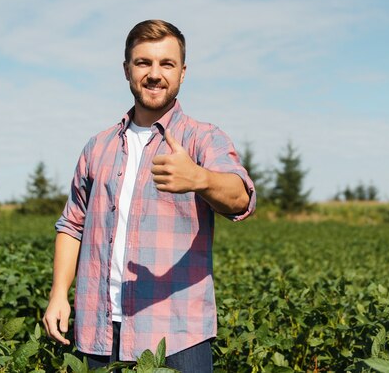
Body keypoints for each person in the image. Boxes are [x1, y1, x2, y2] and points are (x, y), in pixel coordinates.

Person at [42, 19, 256, 372]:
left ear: (182, 72)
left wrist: (199, 178)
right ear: (127, 70)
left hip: (176, 337)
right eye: (144, 63)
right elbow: (71, 225)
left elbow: (242, 198)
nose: (155, 74)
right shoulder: (98, 146)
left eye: (166, 64)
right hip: (98, 331)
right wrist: (58, 296)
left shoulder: (203, 139)